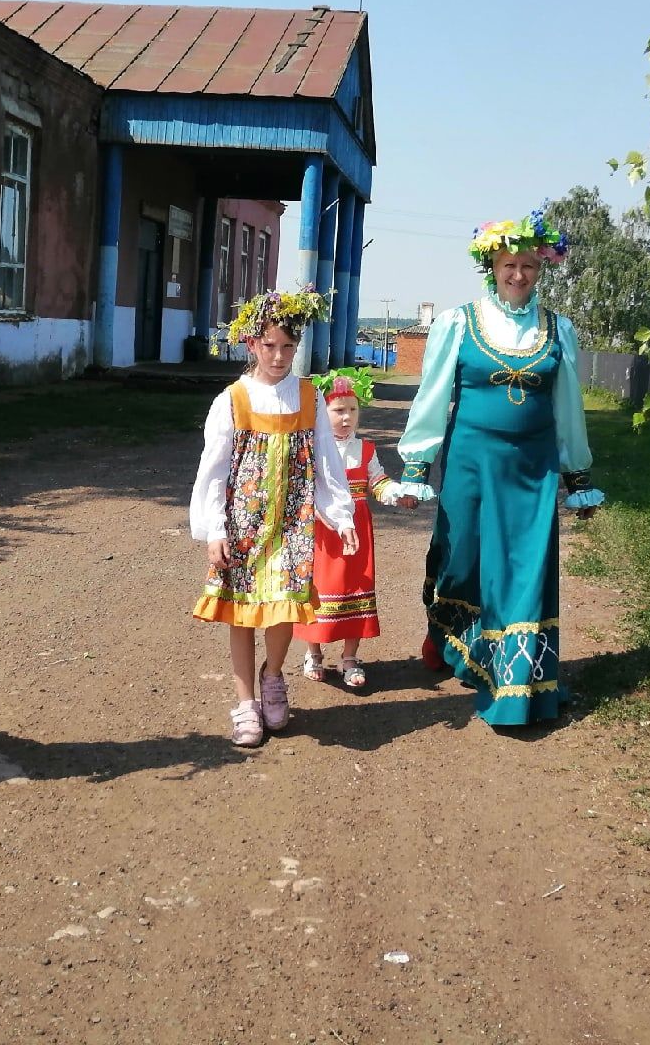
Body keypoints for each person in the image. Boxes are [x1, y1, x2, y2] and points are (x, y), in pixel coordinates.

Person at [393, 209, 605, 726]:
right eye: (509, 264)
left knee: (524, 569)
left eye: (529, 265)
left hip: (533, 472)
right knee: (460, 558)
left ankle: (518, 685)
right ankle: (451, 639)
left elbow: (568, 409)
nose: (518, 275)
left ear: (541, 268)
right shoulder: (458, 323)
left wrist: (576, 476)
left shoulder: (559, 330)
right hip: (469, 463)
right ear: (492, 266)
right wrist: (417, 465)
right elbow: (434, 394)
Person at [190, 289, 358, 746]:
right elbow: (214, 467)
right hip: (242, 524)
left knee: (284, 605)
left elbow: (326, 459)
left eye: (287, 346)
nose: (279, 356)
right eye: (270, 346)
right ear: (252, 346)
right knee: (243, 614)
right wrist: (214, 528)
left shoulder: (308, 396)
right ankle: (245, 701)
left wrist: (340, 515)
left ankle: (273, 676)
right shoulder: (233, 399)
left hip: (293, 523)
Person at [296, 367, 414, 689]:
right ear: (323, 411)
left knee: (356, 588)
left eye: (352, 409)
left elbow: (377, 482)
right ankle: (314, 653)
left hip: (358, 531)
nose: (346, 417)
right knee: (319, 588)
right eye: (338, 410)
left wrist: (396, 494)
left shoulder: (366, 450)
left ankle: (350, 657)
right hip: (324, 531)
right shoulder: (315, 448)